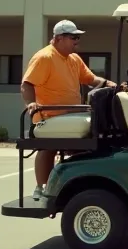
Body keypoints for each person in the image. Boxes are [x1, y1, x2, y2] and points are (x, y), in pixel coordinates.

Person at [21, 19, 116, 200]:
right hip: (48, 117)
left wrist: (109, 84)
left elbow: (89, 79)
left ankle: (75, 185)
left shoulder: (73, 59)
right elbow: (27, 84)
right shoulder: (45, 57)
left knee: (94, 137)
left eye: (77, 37)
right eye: (74, 37)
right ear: (59, 38)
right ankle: (41, 188)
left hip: (71, 115)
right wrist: (31, 104)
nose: (77, 41)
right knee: (47, 147)